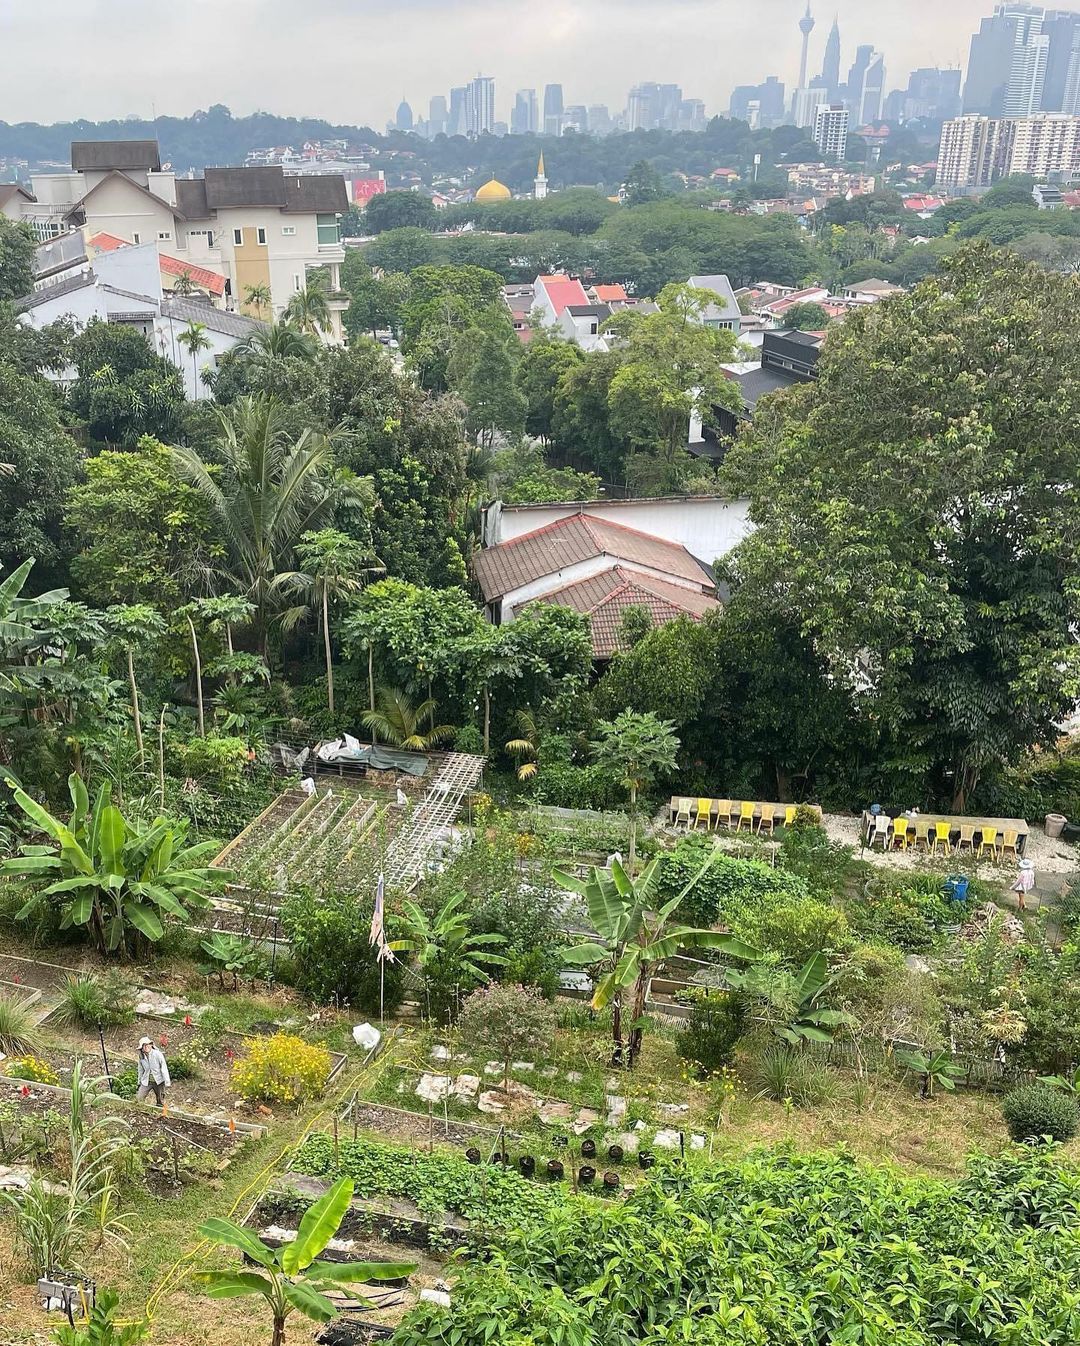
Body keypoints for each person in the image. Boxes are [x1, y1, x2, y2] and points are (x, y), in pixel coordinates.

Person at [136, 1036, 171, 1106]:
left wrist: (167, 1081)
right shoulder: (141, 1057)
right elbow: (140, 1070)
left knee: (160, 1101)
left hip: (159, 1081)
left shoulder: (157, 1054)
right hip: (147, 1081)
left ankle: (160, 1114)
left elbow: (163, 1068)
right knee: (139, 1098)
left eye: (147, 1045)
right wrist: (139, 1081)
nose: (146, 1047)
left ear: (151, 1045)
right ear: (141, 1048)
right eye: (144, 1046)